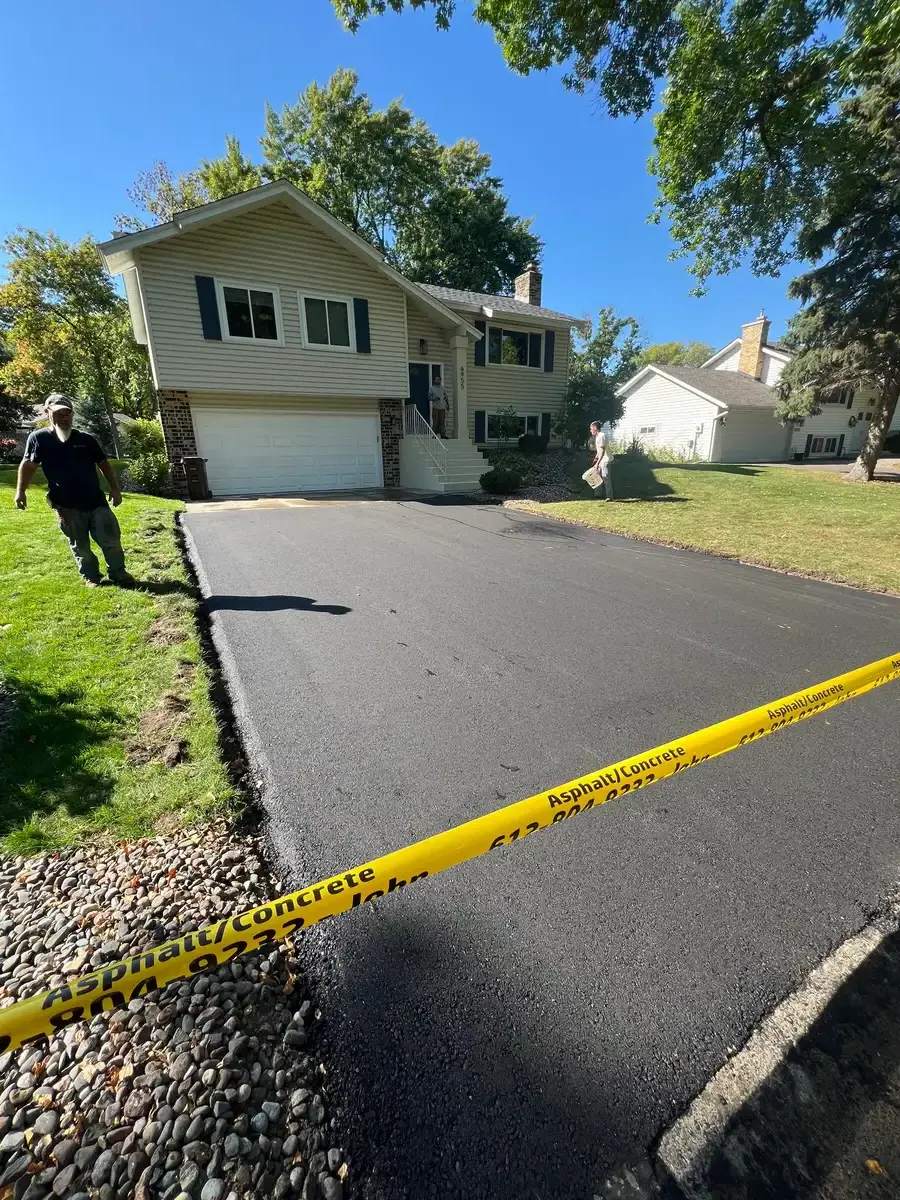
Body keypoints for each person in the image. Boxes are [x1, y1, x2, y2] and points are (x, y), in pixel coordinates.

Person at [14, 394, 135, 588]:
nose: (64, 418)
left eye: (67, 413)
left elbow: (104, 464)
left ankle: (118, 572)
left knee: (111, 540)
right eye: (59, 413)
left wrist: (115, 489)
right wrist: (20, 491)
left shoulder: (85, 439)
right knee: (80, 546)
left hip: (96, 502)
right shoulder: (39, 439)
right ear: (47, 413)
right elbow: (28, 465)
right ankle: (92, 576)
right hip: (66, 506)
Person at [582, 419, 615, 500]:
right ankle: (598, 494)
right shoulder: (597, 437)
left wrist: (597, 463)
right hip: (601, 459)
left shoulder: (601, 436)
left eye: (591, 429)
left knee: (605, 477)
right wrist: (596, 458)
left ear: (595, 428)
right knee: (597, 476)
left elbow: (603, 451)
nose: (590, 430)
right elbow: (599, 451)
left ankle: (609, 496)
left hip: (606, 460)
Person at [428, 373, 447, 437]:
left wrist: (447, 405)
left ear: (440, 380)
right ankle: (434, 435)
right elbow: (429, 397)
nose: (437, 380)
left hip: (442, 408)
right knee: (435, 423)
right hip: (435, 408)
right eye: (436, 379)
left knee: (442, 423)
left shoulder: (443, 388)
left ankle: (443, 435)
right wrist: (435, 398)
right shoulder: (432, 388)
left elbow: (446, 397)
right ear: (434, 380)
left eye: (438, 379)